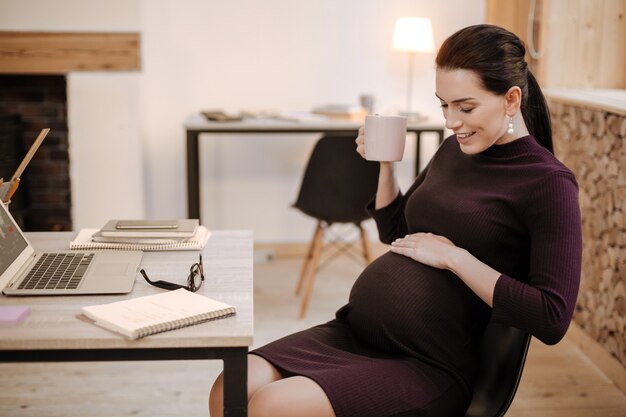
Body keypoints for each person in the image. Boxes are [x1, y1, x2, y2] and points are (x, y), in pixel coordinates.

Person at [209, 23, 582, 417]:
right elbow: (396, 233)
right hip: (356, 333)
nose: (451, 121)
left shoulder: (548, 184)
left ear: (511, 99)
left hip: (427, 363)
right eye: (444, 104)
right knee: (230, 386)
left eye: (465, 107)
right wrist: (385, 165)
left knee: (273, 406)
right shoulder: (456, 149)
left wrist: (455, 258)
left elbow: (551, 317)